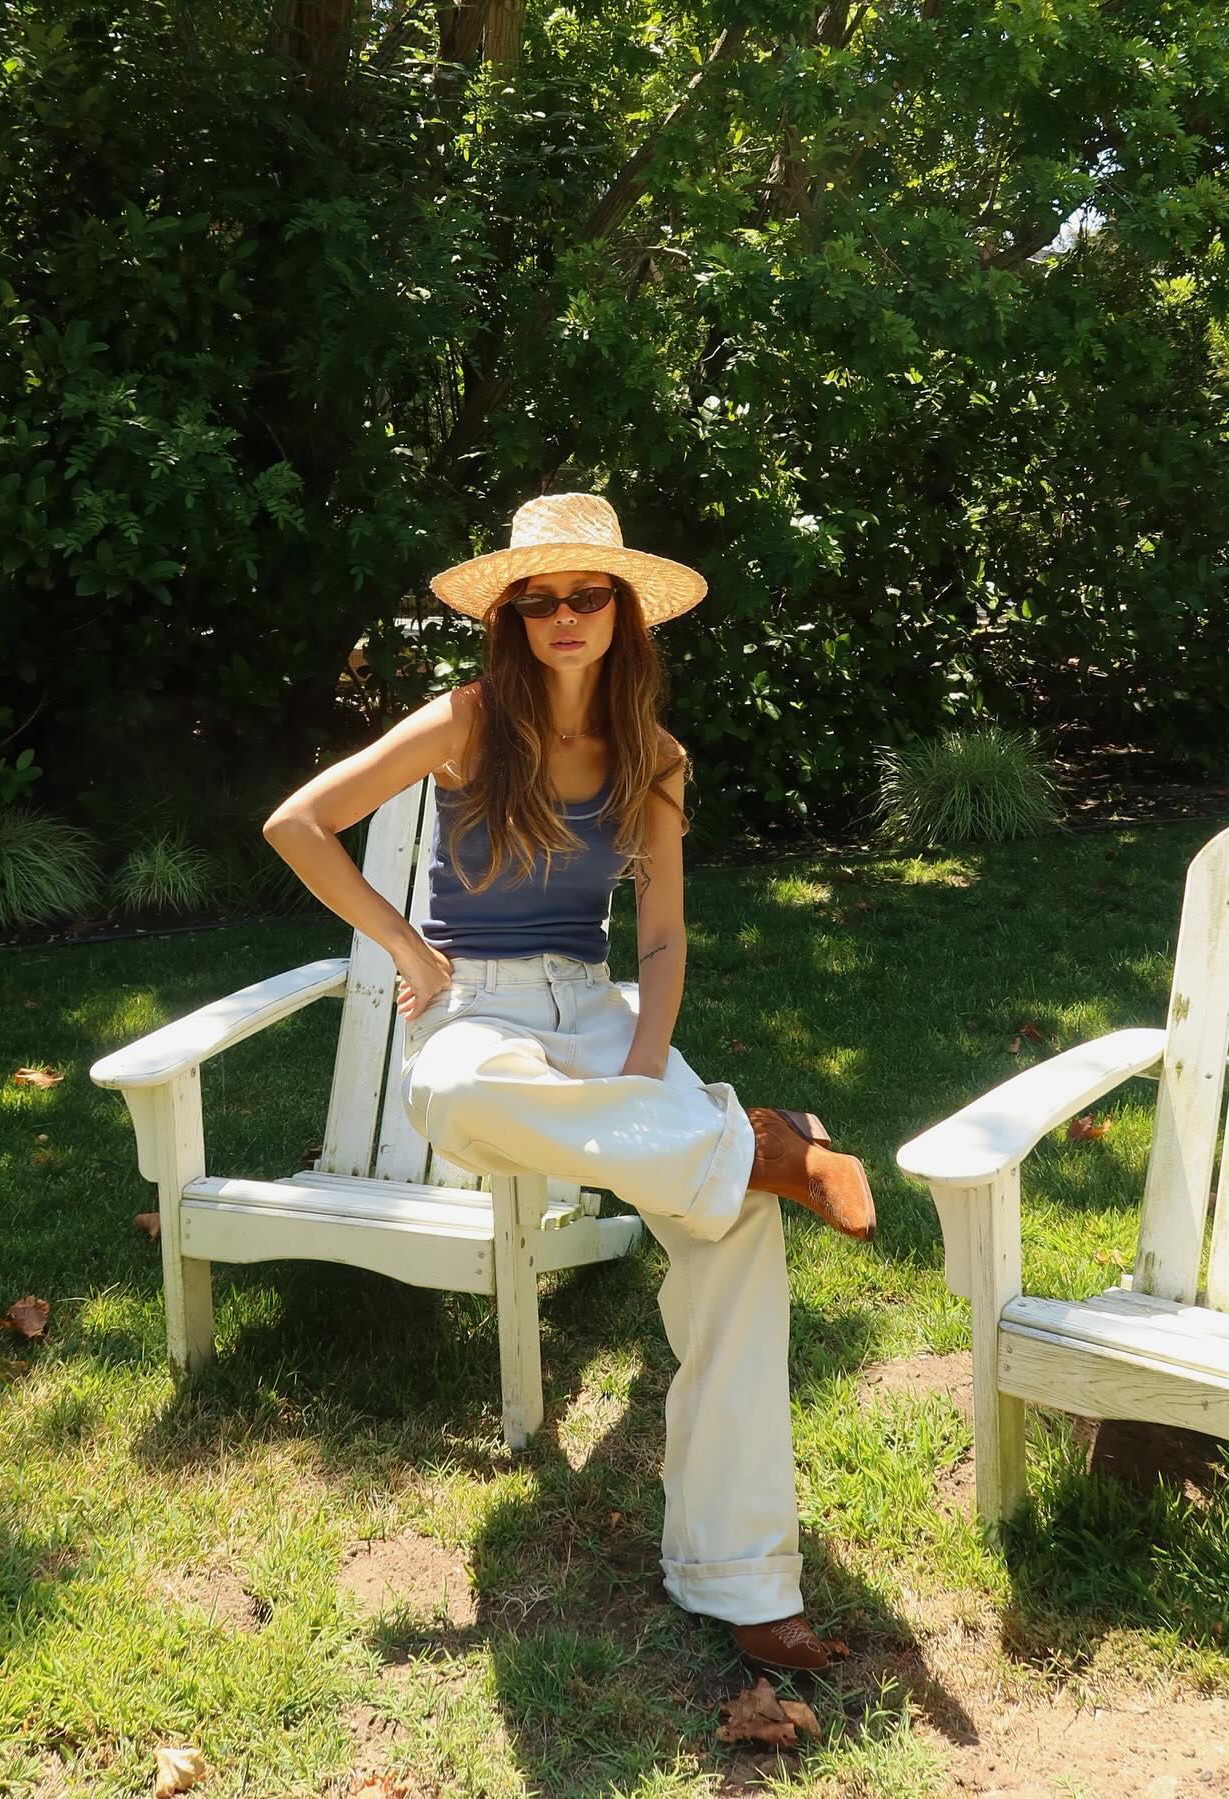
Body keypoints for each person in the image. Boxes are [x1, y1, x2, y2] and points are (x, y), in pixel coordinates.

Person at [263, 492, 876, 1672]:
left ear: (622, 612)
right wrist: (408, 949)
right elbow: (300, 822)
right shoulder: (464, 720)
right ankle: (757, 1142)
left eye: (586, 592)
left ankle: (744, 1577)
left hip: (595, 1005)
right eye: (535, 598)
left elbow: (663, 932)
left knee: (737, 1233)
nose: (562, 613)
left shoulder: (655, 755)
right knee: (452, 1098)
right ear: (509, 617)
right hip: (477, 1010)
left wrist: (644, 1071)